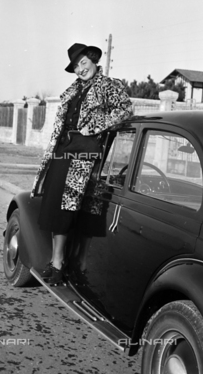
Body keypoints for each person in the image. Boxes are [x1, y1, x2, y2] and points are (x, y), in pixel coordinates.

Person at [30, 42, 133, 283]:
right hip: (63, 151)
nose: (80, 69)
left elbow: (126, 109)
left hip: (85, 155)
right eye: (76, 66)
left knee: (79, 209)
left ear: (94, 61)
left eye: (83, 63)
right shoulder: (73, 89)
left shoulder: (108, 85)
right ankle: (57, 262)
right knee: (57, 207)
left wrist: (94, 127)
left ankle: (76, 264)